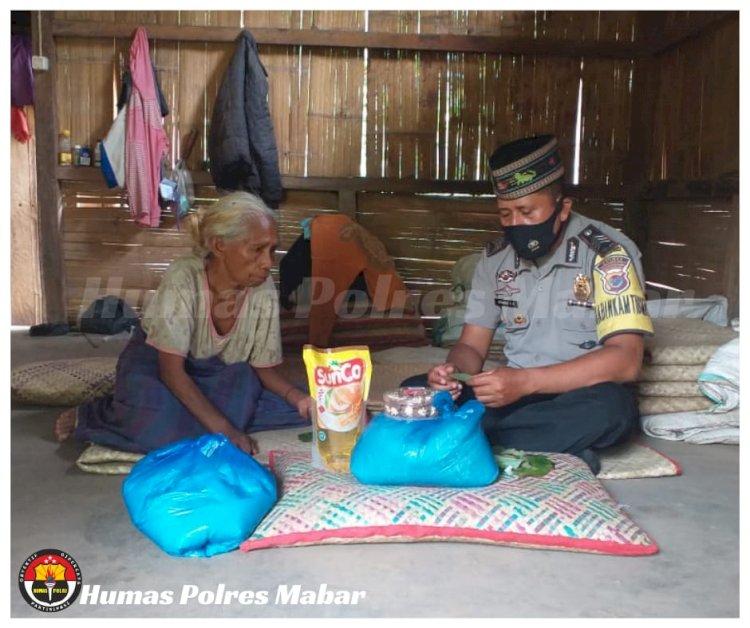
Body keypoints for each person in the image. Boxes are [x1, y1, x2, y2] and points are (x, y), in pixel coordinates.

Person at [405, 134, 654, 473]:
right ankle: (547, 443)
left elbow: (626, 360)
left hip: (579, 394)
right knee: (416, 391)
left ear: (562, 208)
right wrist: (450, 375)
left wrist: (527, 382)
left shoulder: (608, 254)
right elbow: (470, 347)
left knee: (613, 411)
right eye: (505, 214)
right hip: (511, 393)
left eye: (526, 211)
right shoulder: (495, 260)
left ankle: (471, 435)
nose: (515, 224)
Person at [55, 191, 313, 456]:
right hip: (160, 367)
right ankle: (97, 412)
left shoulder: (263, 288)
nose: (268, 263)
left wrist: (300, 400)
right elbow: (172, 372)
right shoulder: (184, 278)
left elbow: (263, 369)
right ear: (219, 245)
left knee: (281, 403)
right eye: (257, 249)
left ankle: (179, 412)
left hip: (216, 374)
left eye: (271, 250)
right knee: (159, 428)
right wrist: (225, 430)